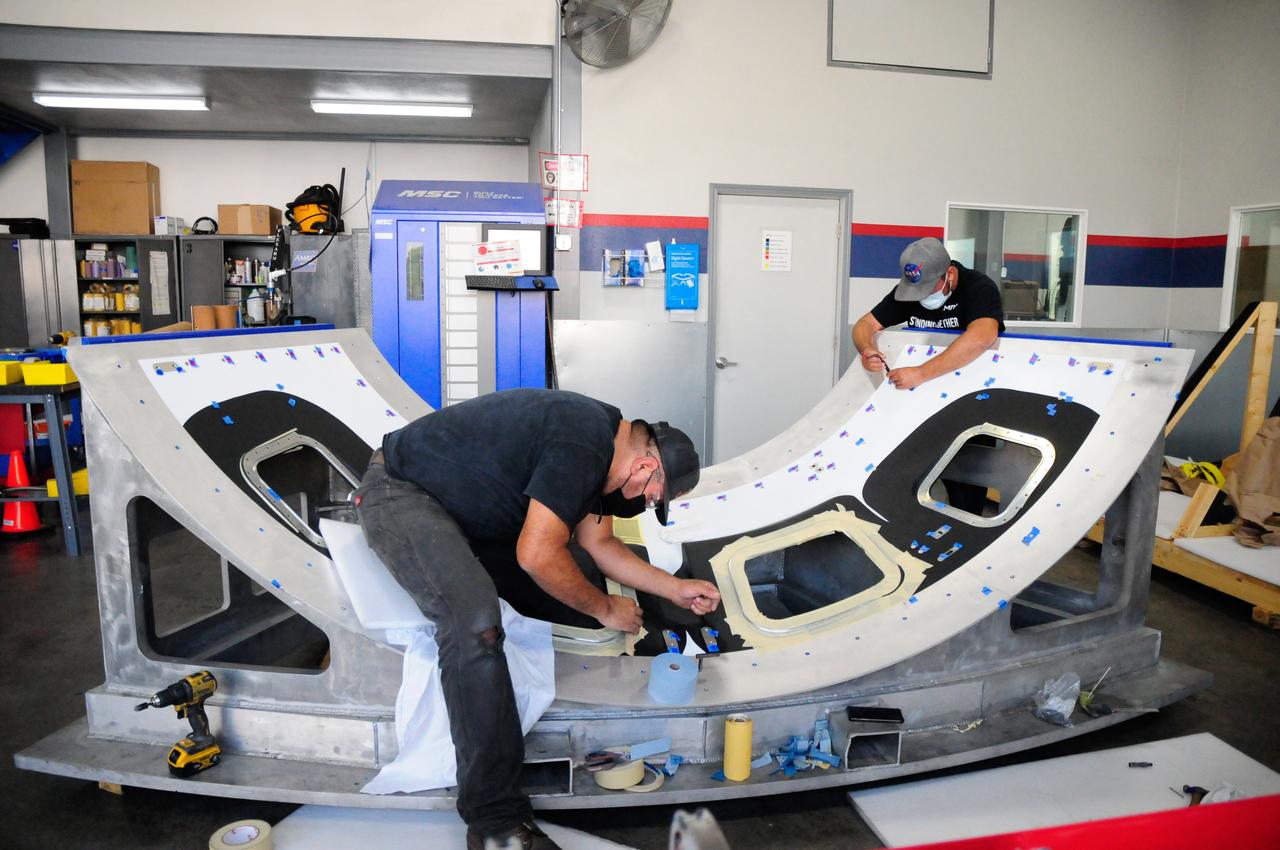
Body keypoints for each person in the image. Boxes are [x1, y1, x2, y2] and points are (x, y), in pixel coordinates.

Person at [353, 388, 720, 850]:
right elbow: (536, 554)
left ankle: (506, 719)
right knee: (476, 623)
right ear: (647, 467)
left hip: (460, 510)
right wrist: (605, 608)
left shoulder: (603, 448)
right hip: (400, 492)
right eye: (653, 498)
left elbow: (601, 545)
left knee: (568, 582)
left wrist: (674, 589)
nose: (646, 504)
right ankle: (496, 824)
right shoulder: (584, 443)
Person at [852, 237, 1004, 390]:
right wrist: (866, 349)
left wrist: (920, 373)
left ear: (950, 274)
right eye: (915, 290)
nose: (920, 296)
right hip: (924, 385)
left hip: (970, 382)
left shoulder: (979, 288)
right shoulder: (909, 291)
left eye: (927, 288)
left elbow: (981, 338)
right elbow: (866, 323)